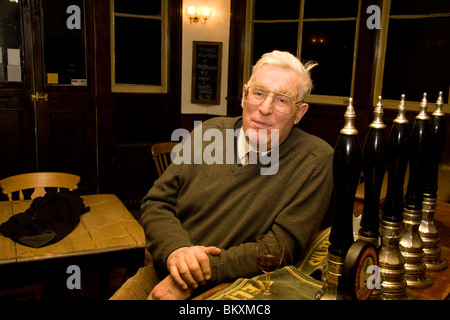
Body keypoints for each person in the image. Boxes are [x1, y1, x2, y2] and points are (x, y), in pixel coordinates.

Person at [110, 50, 334, 300]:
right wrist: (177, 252)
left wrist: (193, 275)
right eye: (258, 93)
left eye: (282, 100)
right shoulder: (209, 132)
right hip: (166, 267)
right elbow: (156, 203)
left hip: (234, 287)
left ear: (299, 113)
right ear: (244, 95)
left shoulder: (316, 160)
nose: (265, 108)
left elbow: (279, 247)